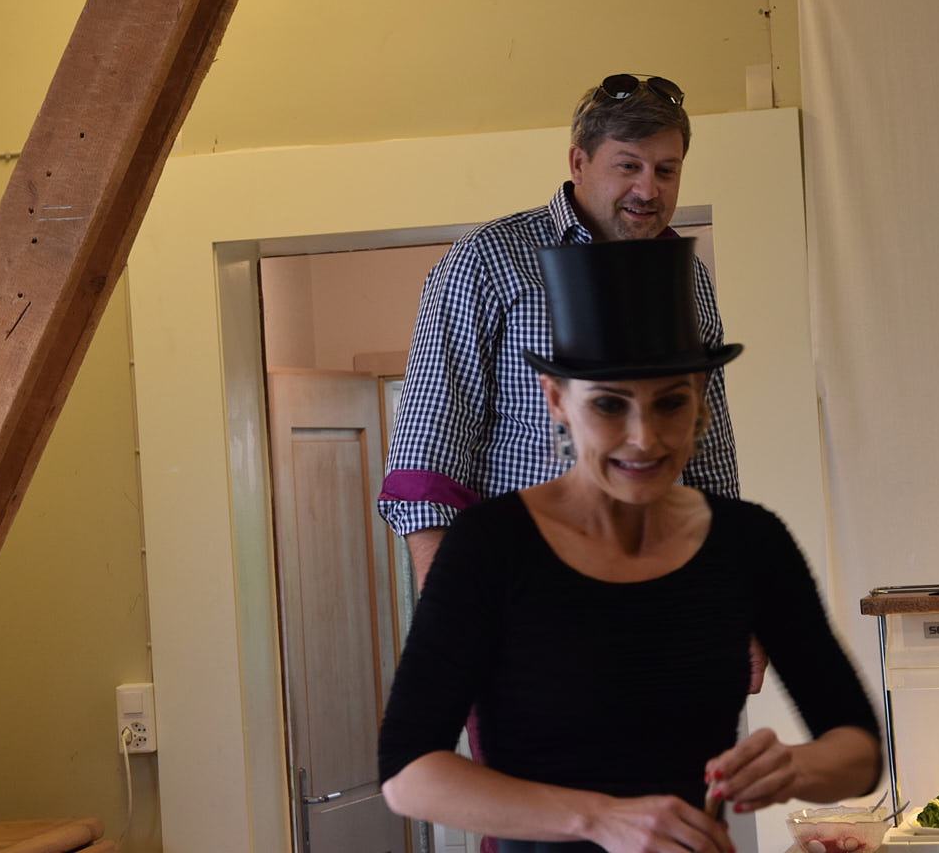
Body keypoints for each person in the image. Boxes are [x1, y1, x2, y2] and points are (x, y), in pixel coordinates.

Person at [377, 239, 882, 853]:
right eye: (609, 405)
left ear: (700, 397)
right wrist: (600, 819)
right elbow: (409, 775)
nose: (644, 438)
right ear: (556, 399)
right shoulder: (490, 547)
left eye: (670, 402)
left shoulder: (751, 542)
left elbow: (859, 751)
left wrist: (794, 768)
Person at [378, 74, 738, 594]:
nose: (648, 190)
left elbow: (709, 452)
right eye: (628, 166)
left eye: (666, 170)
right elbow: (427, 453)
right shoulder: (489, 260)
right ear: (578, 162)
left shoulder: (691, 278)